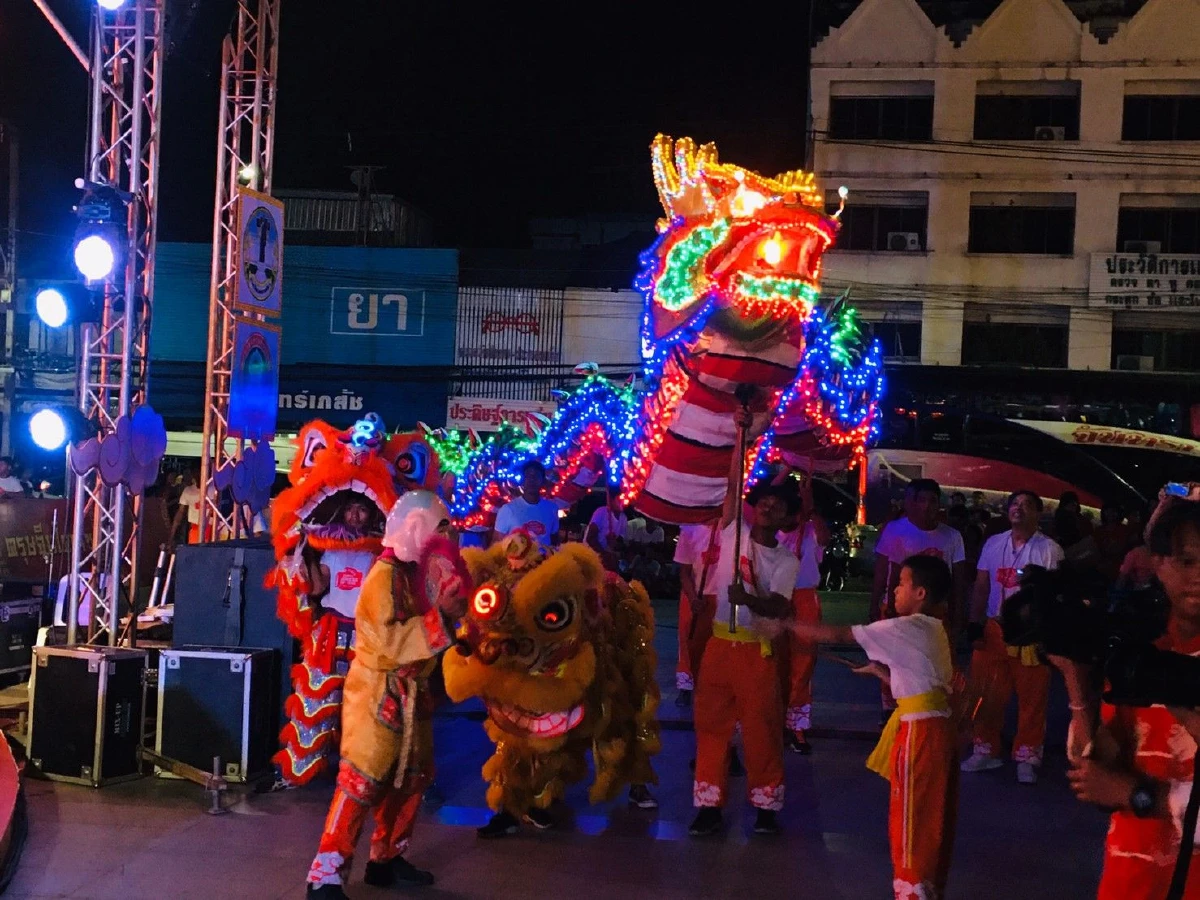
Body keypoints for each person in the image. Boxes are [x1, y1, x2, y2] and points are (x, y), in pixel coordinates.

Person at [305, 491, 467, 899]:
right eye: (440, 530)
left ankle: (386, 858)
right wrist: (441, 619)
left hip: (413, 692)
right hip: (379, 692)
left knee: (411, 779)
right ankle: (325, 873)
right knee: (361, 780)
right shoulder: (384, 576)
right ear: (415, 529)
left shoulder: (413, 573)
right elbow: (387, 642)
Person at [784, 555, 957, 900]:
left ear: (920, 592)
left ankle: (912, 891)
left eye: (902, 583)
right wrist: (880, 672)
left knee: (910, 820)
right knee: (929, 817)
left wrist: (785, 625)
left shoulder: (905, 627)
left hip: (920, 734)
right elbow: (922, 682)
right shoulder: (933, 628)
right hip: (937, 730)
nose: (894, 589)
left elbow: (836, 633)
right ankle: (925, 888)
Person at [1052, 497, 1200, 899]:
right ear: (1157, 562)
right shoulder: (1139, 650)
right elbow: (1095, 771)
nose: (1199, 577)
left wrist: (1135, 794)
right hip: (1130, 877)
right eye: (1187, 561)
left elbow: (1115, 789)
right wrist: (1076, 682)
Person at [689, 407, 798, 838]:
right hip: (719, 646)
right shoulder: (732, 531)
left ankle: (766, 807)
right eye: (764, 500)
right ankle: (708, 806)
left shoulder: (787, 559)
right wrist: (742, 434)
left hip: (758, 652)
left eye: (778, 504)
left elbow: (779, 608)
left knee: (761, 730)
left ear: (788, 517)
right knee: (711, 728)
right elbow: (735, 483)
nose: (767, 505)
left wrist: (748, 599)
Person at [272, 499, 381, 789]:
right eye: (350, 509)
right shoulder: (331, 549)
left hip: (366, 635)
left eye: (361, 509)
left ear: (371, 514)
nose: (354, 515)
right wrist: (302, 554)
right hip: (330, 631)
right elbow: (320, 588)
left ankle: (365, 772)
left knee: (368, 707)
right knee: (314, 701)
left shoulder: (379, 552)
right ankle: (301, 771)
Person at [962, 490, 1064, 784]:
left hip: (1030, 634)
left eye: (1027, 505)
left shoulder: (1049, 550)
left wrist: (1048, 633)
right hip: (994, 628)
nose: (1019, 509)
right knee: (986, 693)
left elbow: (1055, 595)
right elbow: (981, 586)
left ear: (1038, 513)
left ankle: (1027, 755)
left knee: (1032, 697)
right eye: (1015, 504)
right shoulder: (994, 543)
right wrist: (974, 623)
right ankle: (986, 749)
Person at [775, 469, 830, 754]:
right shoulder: (768, 534)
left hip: (806, 599)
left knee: (803, 664)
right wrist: (784, 471)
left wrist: (811, 504)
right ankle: (773, 721)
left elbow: (825, 536)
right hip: (775, 600)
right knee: (773, 663)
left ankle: (796, 726)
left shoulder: (809, 531)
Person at [673, 521, 720, 706]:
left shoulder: (733, 529)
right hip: (694, 595)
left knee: (717, 642)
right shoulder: (689, 530)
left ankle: (713, 686)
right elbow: (684, 572)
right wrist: (693, 598)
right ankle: (685, 685)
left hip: (721, 596)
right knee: (688, 639)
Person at [492, 460, 561, 550]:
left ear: (542, 481)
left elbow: (555, 540)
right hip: (517, 563)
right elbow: (496, 544)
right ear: (522, 481)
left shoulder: (552, 508)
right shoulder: (508, 509)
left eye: (536, 477)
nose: (532, 480)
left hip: (545, 562)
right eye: (528, 476)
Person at [585, 485, 627, 572]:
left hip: (605, 559)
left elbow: (620, 543)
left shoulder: (624, 518)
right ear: (611, 500)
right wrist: (604, 554)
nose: (622, 503)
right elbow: (590, 538)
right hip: (590, 555)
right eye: (619, 500)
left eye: (624, 500)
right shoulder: (601, 512)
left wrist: (614, 543)